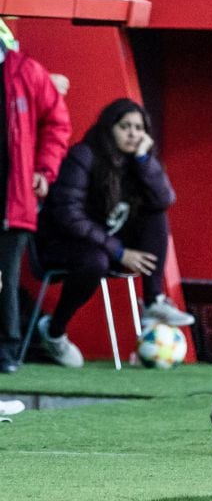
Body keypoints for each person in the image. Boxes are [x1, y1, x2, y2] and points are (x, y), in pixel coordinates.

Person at [36, 98, 194, 369]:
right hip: (64, 243)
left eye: (139, 127)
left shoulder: (136, 162)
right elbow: (67, 214)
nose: (133, 133)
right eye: (125, 126)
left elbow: (164, 199)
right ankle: (54, 332)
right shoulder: (84, 155)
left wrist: (145, 161)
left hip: (106, 243)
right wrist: (119, 251)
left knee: (156, 212)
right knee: (95, 260)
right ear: (110, 128)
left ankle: (154, 299)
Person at [0, 41, 70, 374]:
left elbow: (56, 122)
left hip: (12, 197)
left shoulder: (26, 71)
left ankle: (7, 352)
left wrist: (44, 169)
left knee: (6, 275)